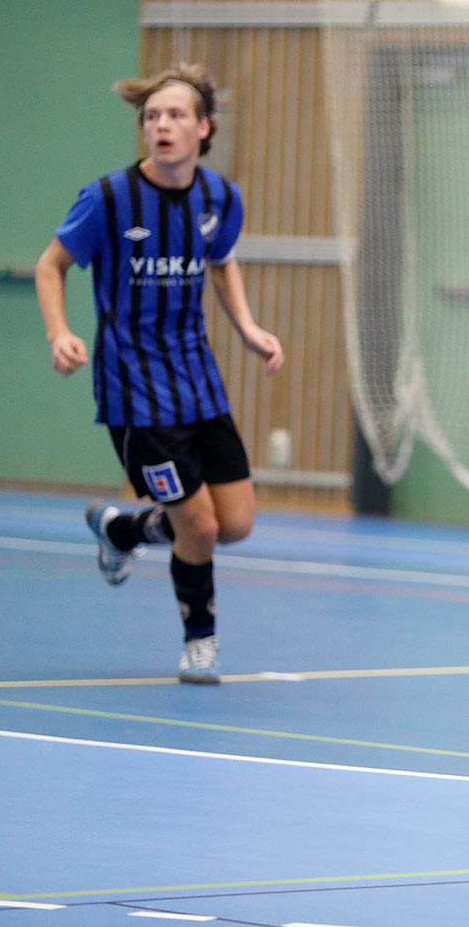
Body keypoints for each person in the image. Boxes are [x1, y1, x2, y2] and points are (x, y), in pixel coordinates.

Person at [34, 63, 284, 684]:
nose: (161, 126)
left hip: (197, 380)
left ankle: (123, 529)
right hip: (134, 392)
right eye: (151, 117)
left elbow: (220, 262)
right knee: (196, 525)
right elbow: (51, 264)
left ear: (203, 128)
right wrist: (60, 333)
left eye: (175, 116)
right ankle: (200, 641)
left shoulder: (220, 198)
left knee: (236, 525)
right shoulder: (109, 199)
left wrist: (247, 327)